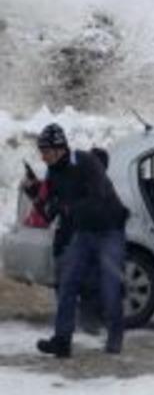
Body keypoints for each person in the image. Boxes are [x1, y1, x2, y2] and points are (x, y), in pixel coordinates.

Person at [26, 124, 129, 358]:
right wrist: (34, 193)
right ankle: (62, 341)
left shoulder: (86, 162)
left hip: (109, 230)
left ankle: (115, 334)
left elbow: (98, 196)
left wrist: (69, 206)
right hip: (83, 233)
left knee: (110, 285)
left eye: (46, 151)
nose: (42, 156)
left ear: (59, 149)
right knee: (67, 283)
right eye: (41, 151)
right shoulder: (53, 173)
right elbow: (49, 214)